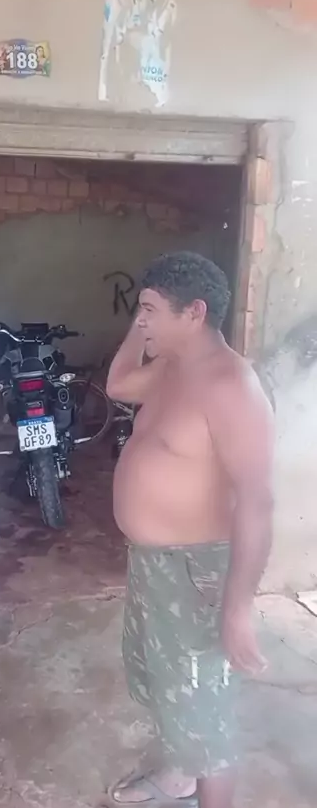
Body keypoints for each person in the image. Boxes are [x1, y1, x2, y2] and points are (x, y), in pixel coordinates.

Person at [106, 252, 274, 808]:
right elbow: (119, 383)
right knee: (163, 682)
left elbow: (257, 502)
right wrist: (145, 323)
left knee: (208, 719)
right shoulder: (174, 366)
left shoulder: (231, 387)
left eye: (150, 310)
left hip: (197, 573)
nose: (141, 321)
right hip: (153, 564)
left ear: (194, 312)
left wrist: (238, 608)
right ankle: (178, 774)